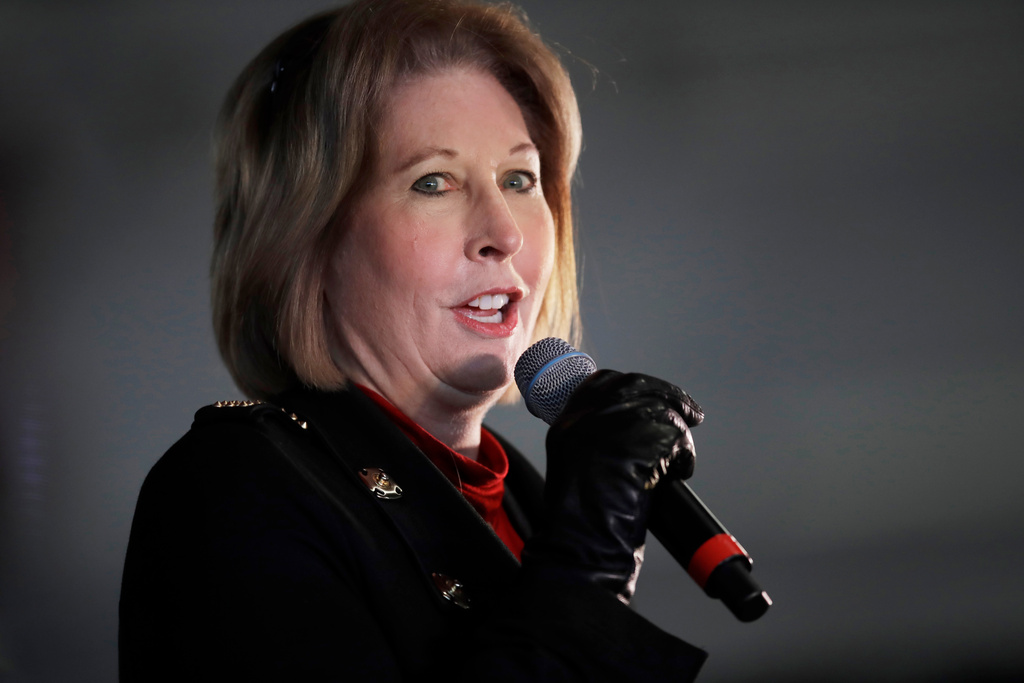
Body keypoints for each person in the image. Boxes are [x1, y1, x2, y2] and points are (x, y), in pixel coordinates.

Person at [119, 0, 708, 680]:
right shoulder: (230, 486)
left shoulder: (521, 495)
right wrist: (584, 568)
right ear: (307, 242)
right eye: (434, 182)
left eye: (520, 179)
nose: (504, 231)